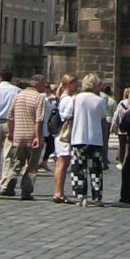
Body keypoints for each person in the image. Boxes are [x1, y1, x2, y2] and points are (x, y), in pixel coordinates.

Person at [0, 74, 48, 199]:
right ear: (37, 84)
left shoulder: (19, 96)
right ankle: (26, 190)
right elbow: (39, 120)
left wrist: (11, 132)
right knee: (32, 165)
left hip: (19, 135)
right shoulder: (39, 98)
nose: (45, 86)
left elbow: (9, 117)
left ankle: (11, 178)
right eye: (44, 83)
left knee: (16, 162)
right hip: (32, 136)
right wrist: (37, 136)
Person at [70, 73, 108, 204]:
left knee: (78, 167)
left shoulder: (76, 98)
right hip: (95, 139)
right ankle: (97, 196)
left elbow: (69, 114)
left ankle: (81, 196)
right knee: (96, 169)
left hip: (78, 137)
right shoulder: (100, 100)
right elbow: (103, 116)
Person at [52, 73, 78, 203]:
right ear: (69, 84)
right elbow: (67, 115)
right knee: (62, 164)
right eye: (75, 83)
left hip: (59, 134)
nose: (77, 85)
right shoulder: (68, 99)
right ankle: (59, 192)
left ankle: (58, 192)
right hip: (65, 134)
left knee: (59, 164)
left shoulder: (61, 97)